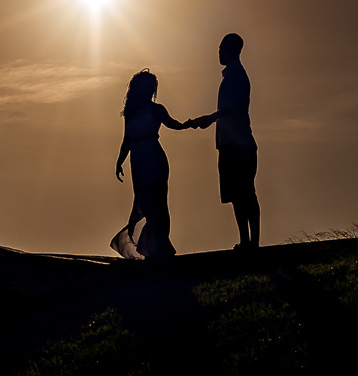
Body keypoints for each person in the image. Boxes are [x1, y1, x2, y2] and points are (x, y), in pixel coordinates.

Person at [111, 69, 190, 259]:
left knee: (159, 204)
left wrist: (189, 124)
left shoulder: (157, 109)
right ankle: (154, 247)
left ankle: (161, 246)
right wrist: (119, 162)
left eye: (150, 87)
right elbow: (126, 140)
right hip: (138, 163)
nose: (147, 90)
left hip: (154, 159)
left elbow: (173, 124)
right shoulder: (130, 113)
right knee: (145, 204)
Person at [191, 33, 260, 250]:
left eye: (221, 48)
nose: (218, 52)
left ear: (231, 49)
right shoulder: (231, 75)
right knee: (238, 196)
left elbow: (233, 108)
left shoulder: (236, 75)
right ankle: (246, 241)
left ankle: (253, 242)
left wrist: (209, 119)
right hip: (231, 143)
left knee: (246, 193)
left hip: (239, 144)